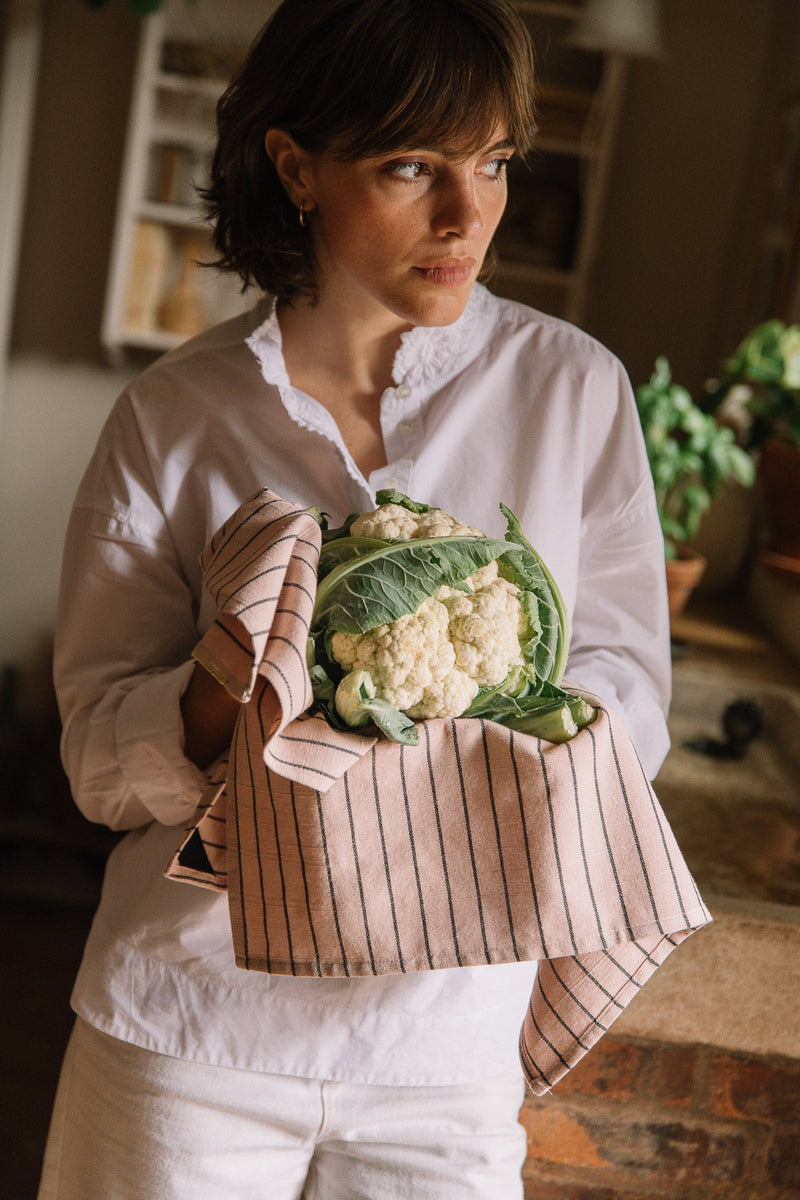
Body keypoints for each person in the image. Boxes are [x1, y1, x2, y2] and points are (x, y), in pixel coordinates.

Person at [39, 1, 673, 1196]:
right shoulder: (173, 417)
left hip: (446, 1041)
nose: (467, 212)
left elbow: (630, 693)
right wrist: (229, 676)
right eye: (409, 166)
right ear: (293, 166)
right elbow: (95, 762)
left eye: (490, 161)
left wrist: (493, 733)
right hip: (191, 1028)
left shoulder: (571, 390)